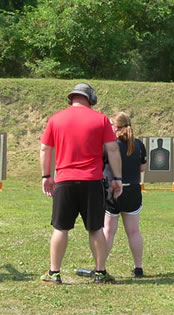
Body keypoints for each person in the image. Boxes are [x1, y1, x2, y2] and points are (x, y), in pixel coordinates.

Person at [39, 83, 123, 284]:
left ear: (72, 98)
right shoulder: (101, 119)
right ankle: (100, 273)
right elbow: (112, 150)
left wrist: (46, 176)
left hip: (64, 181)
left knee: (60, 228)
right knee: (95, 228)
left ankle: (54, 273)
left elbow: (45, 149)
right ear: (90, 99)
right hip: (92, 181)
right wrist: (118, 178)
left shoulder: (56, 119)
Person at [103, 112, 147, 277]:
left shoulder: (110, 145)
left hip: (113, 189)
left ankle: (101, 267)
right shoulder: (138, 145)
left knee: (108, 231)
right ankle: (138, 268)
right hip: (133, 190)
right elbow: (142, 168)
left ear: (116, 127)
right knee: (134, 231)